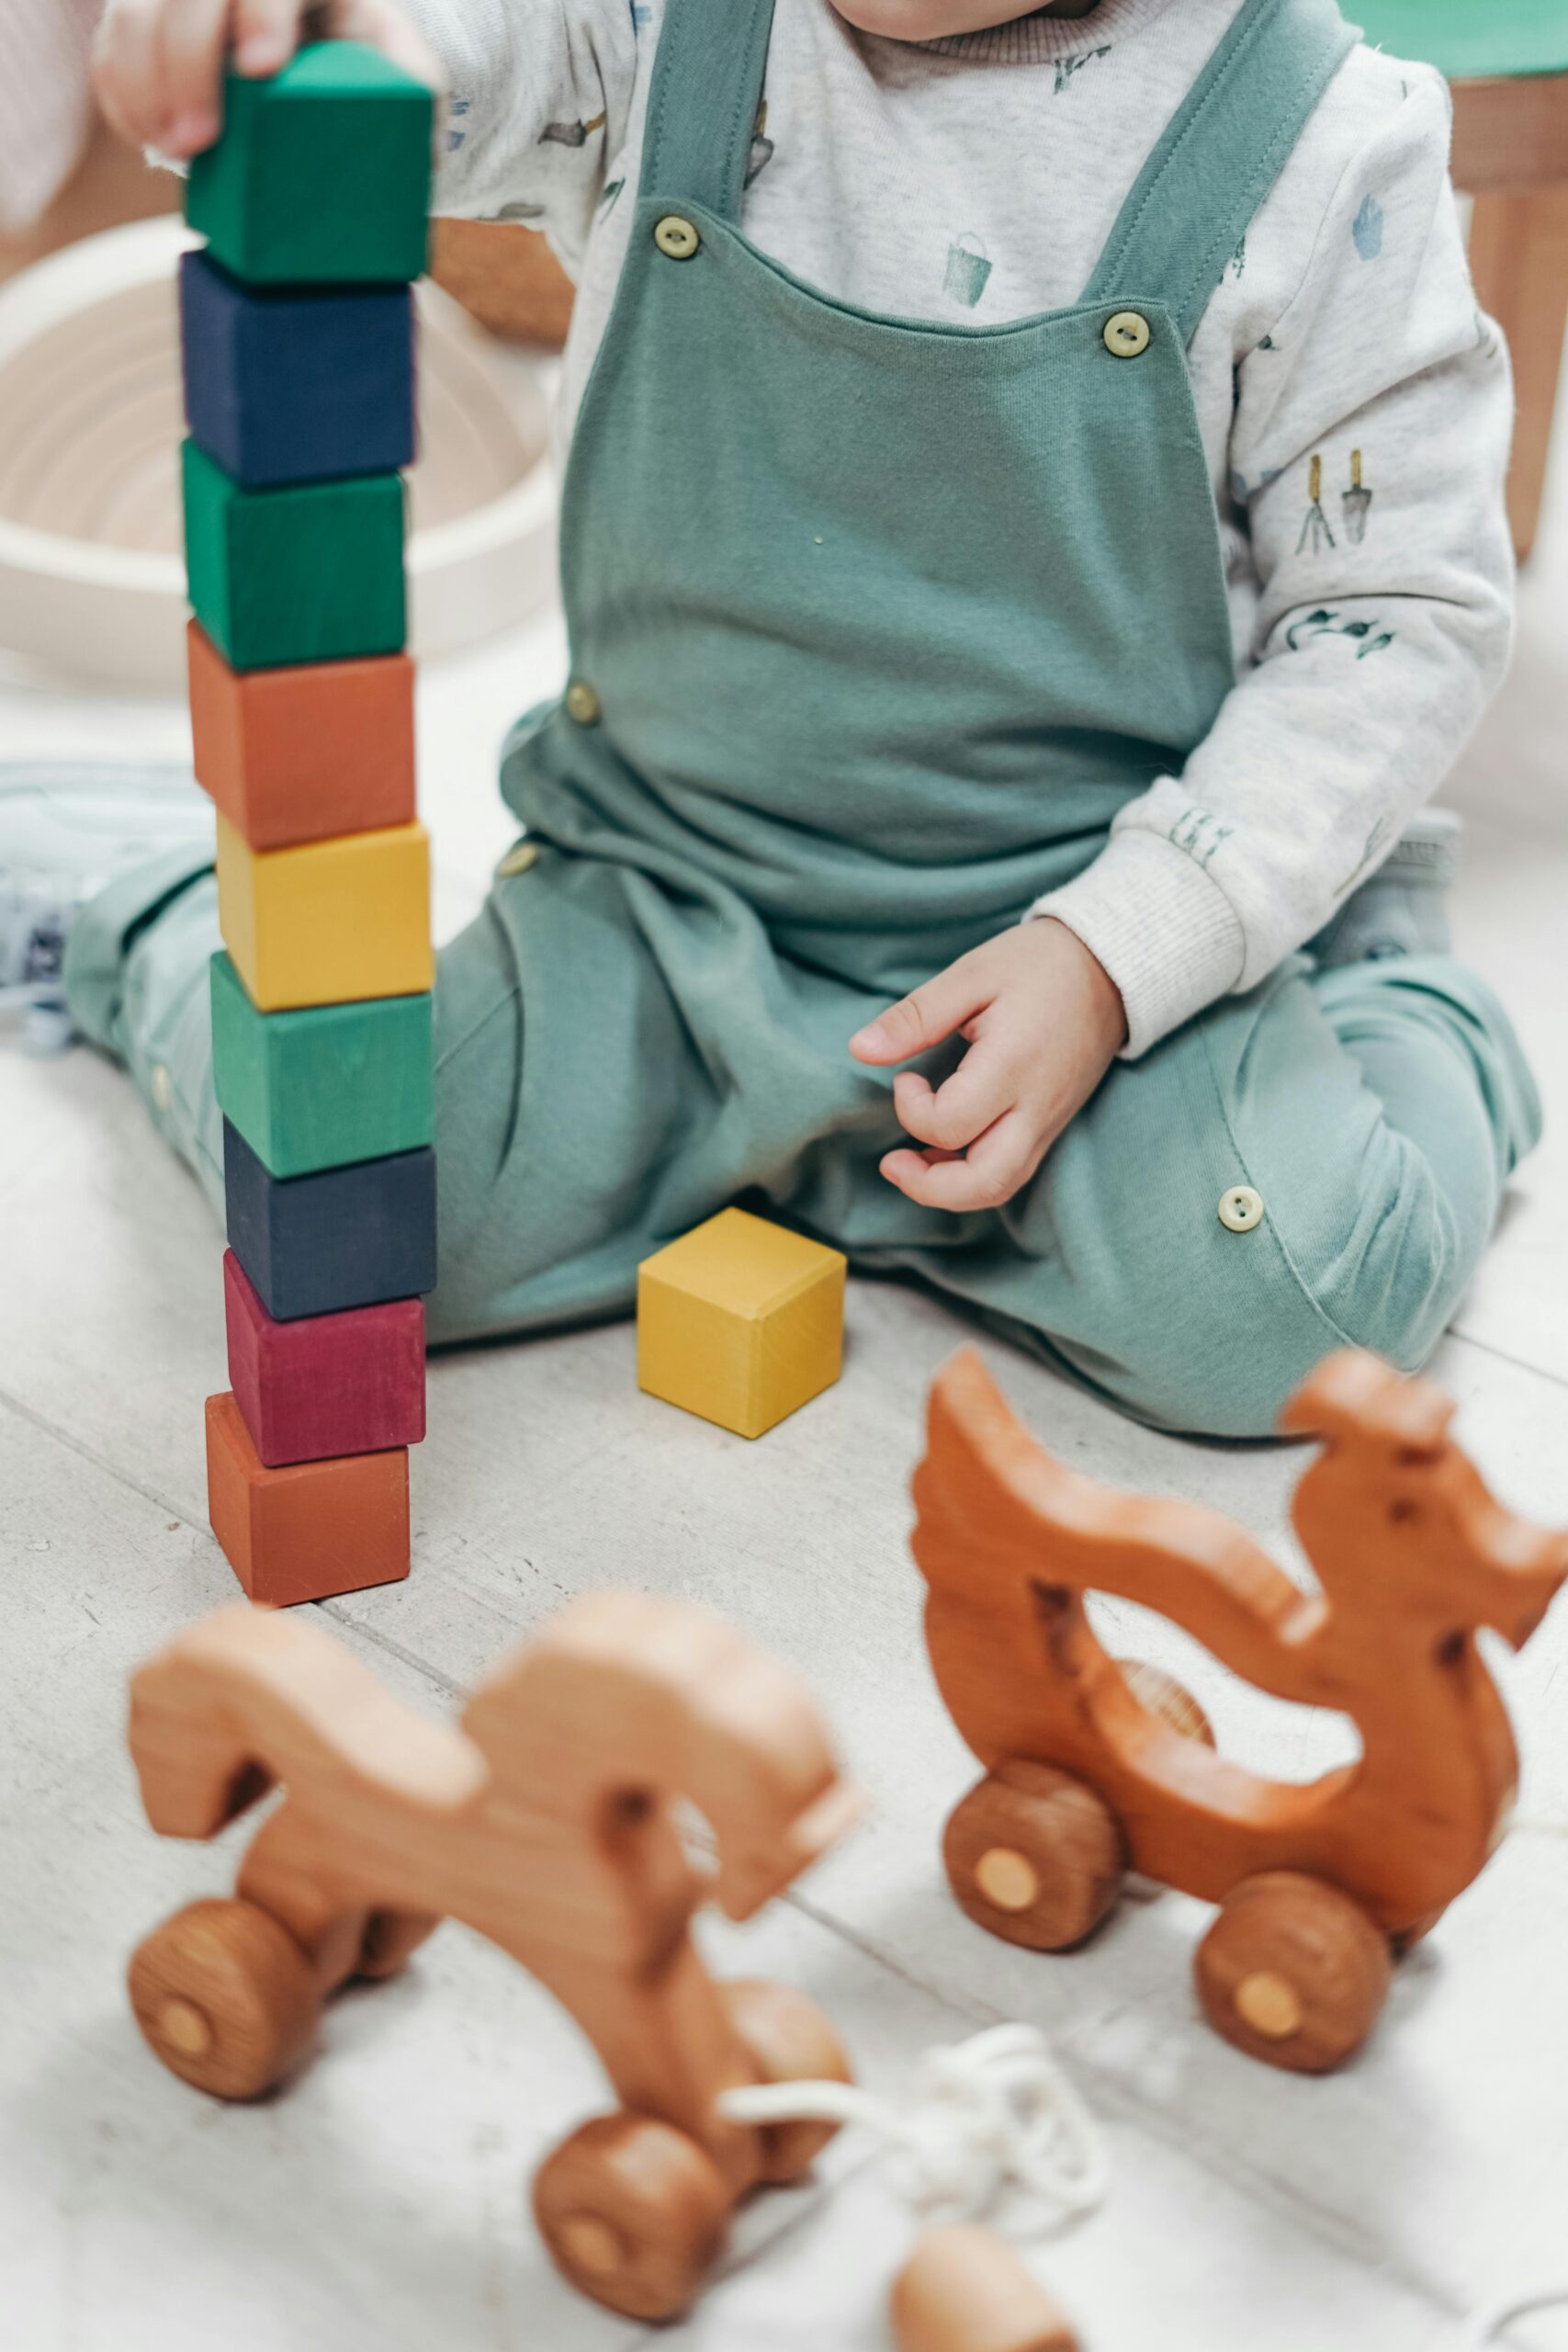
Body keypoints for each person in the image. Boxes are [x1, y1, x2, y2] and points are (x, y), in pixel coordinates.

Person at [8, 0, 1537, 1437]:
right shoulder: (658, 28)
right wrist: (320, 42)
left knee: (1302, 1319)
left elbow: (1401, 615)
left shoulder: (1324, 143)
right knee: (333, 1193)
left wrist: (1130, 946)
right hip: (660, 908)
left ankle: (1391, 980)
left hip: (1078, 946)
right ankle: (133, 902)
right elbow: (431, 66)